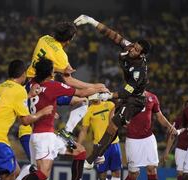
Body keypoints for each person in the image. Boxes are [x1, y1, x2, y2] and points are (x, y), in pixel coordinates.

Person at [74, 14, 176, 164]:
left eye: (136, 50)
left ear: (142, 55)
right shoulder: (130, 48)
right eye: (134, 46)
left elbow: (127, 91)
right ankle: (99, 154)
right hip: (128, 95)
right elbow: (113, 35)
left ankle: (93, 158)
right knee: (112, 125)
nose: (132, 50)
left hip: (135, 100)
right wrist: (92, 21)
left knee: (114, 124)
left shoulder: (139, 71)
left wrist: (108, 97)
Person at [5, 57, 107, 180]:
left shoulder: (31, 84)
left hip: (42, 136)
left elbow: (40, 100)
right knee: (43, 174)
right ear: (49, 73)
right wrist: (99, 87)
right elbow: (82, 93)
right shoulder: (53, 86)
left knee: (80, 151)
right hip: (44, 137)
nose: (54, 73)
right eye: (53, 70)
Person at [25, 21, 106, 180]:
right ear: (70, 39)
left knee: (82, 100)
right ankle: (67, 131)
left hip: (32, 87)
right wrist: (95, 86)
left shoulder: (43, 39)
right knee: (83, 99)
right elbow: (70, 83)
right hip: (44, 88)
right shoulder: (61, 55)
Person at [0, 59, 53, 180]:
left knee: (16, 172)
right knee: (9, 177)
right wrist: (43, 112)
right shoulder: (18, 90)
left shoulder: (1, 87)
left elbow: (6, 105)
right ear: (23, 74)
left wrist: (29, 95)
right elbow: (25, 121)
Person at [119, 89, 178, 180]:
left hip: (148, 138)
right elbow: (117, 112)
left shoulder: (152, 97)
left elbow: (159, 116)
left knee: (152, 168)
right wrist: (122, 122)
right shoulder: (127, 97)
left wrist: (170, 126)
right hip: (132, 140)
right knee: (133, 173)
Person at [79, 95, 122, 180]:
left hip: (114, 143)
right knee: (102, 175)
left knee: (116, 171)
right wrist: (79, 144)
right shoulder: (89, 111)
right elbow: (84, 130)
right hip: (100, 146)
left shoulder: (110, 104)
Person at [161, 100, 188, 180]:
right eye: (187, 106)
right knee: (180, 175)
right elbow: (172, 136)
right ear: (184, 108)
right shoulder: (179, 120)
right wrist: (167, 151)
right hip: (181, 150)